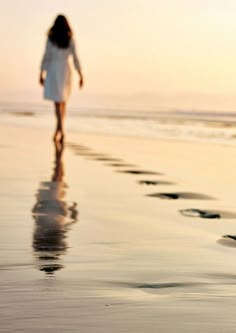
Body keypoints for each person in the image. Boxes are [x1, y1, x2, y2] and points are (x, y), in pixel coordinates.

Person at [39, 14, 84, 143]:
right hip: (65, 70)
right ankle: (60, 129)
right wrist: (80, 74)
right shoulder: (69, 40)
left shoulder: (51, 39)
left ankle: (60, 129)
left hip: (54, 70)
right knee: (62, 102)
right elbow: (75, 59)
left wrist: (41, 73)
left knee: (58, 103)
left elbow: (46, 57)